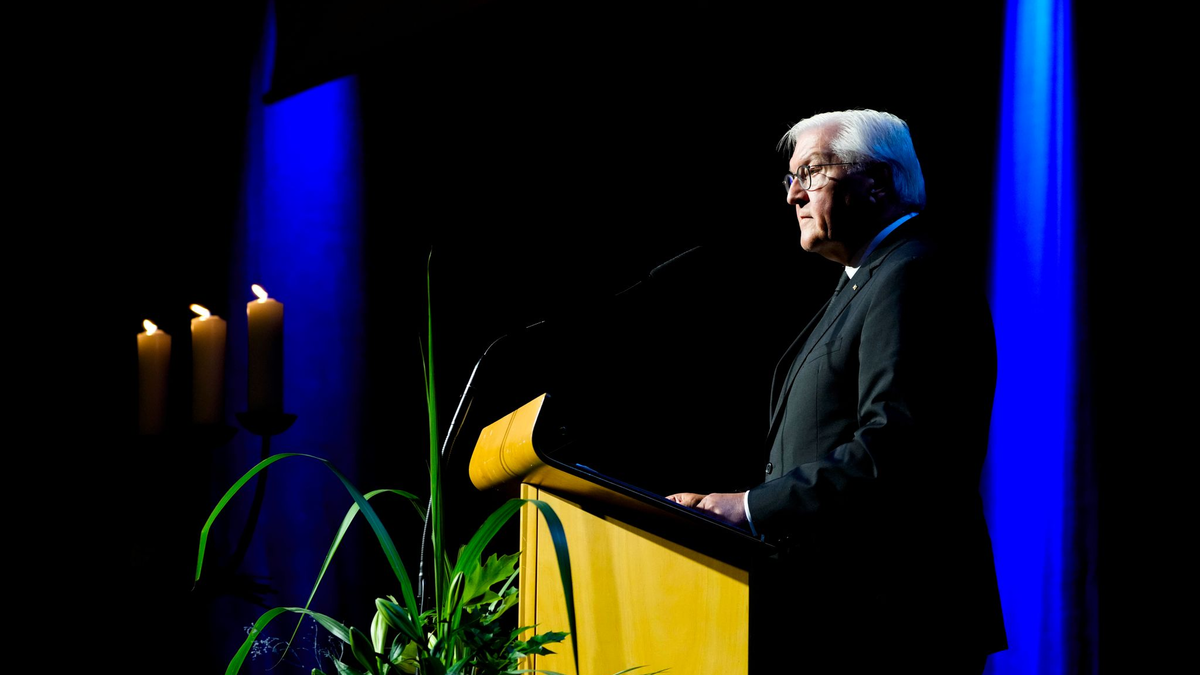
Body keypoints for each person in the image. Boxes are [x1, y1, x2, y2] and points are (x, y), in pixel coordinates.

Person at [667, 109, 1006, 673]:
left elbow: (898, 450)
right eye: (791, 177)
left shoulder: (912, 275)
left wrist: (751, 507)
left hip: (893, 618)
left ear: (878, 182)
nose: (794, 194)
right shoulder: (867, 282)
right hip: (843, 611)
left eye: (814, 171)